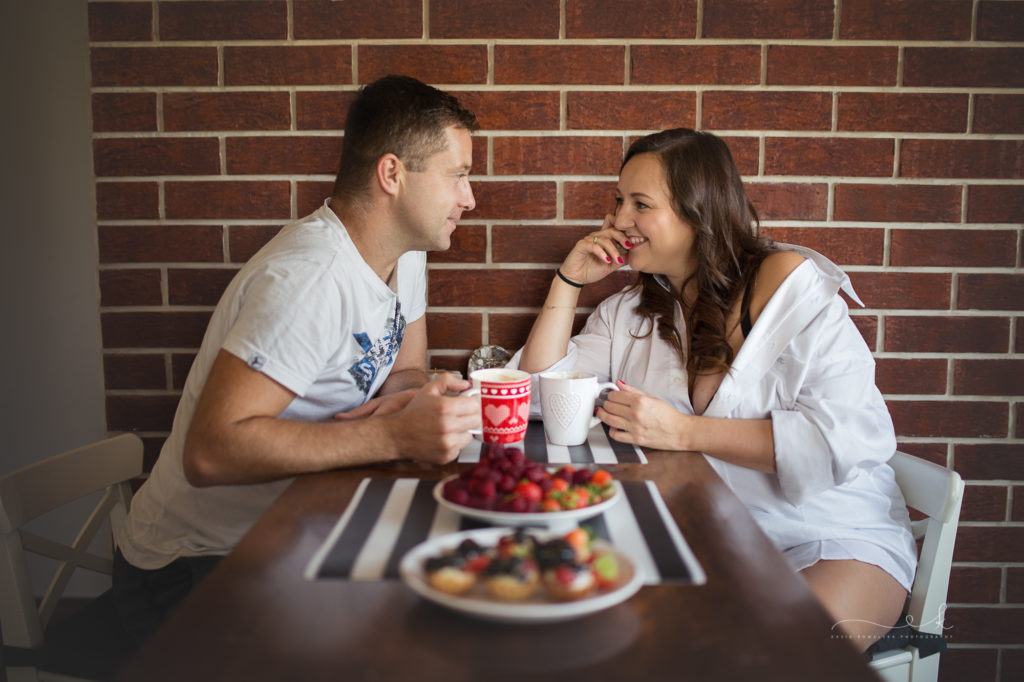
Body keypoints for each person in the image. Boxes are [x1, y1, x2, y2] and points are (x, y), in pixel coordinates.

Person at [512, 128, 916, 651]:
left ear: (697, 211)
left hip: (832, 536)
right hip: (706, 541)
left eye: (641, 204)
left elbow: (845, 439)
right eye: (618, 201)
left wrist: (682, 431)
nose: (618, 221)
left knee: (780, 659)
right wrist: (567, 281)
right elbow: (540, 397)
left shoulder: (788, 287)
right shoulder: (630, 312)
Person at [112, 75, 482, 645]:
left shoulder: (403, 252)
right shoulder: (308, 279)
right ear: (392, 175)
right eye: (458, 176)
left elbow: (402, 371)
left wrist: (420, 400)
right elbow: (208, 453)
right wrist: (395, 438)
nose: (469, 198)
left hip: (292, 530)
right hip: (195, 567)